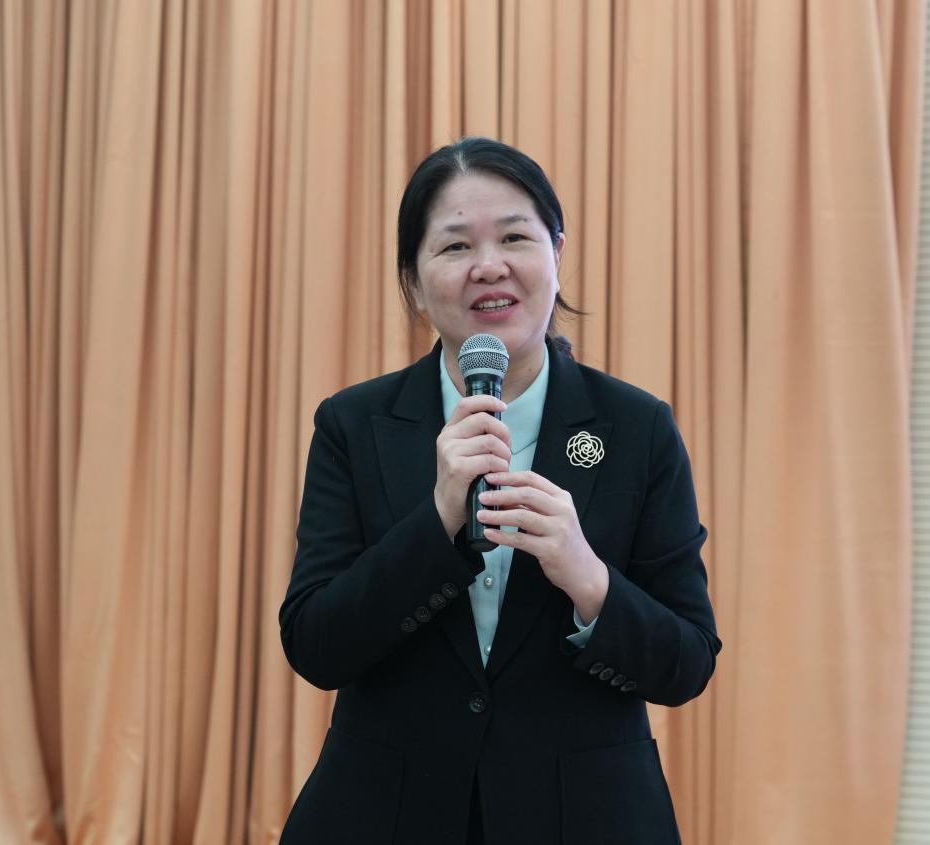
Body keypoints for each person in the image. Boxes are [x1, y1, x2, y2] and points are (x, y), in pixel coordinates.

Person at [278, 137, 721, 845]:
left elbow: (686, 662)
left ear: (556, 253)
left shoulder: (637, 427)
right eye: (455, 246)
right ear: (414, 282)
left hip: (584, 816)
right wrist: (436, 520)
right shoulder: (354, 424)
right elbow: (316, 645)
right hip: (387, 811)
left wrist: (587, 577)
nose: (489, 265)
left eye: (515, 237)